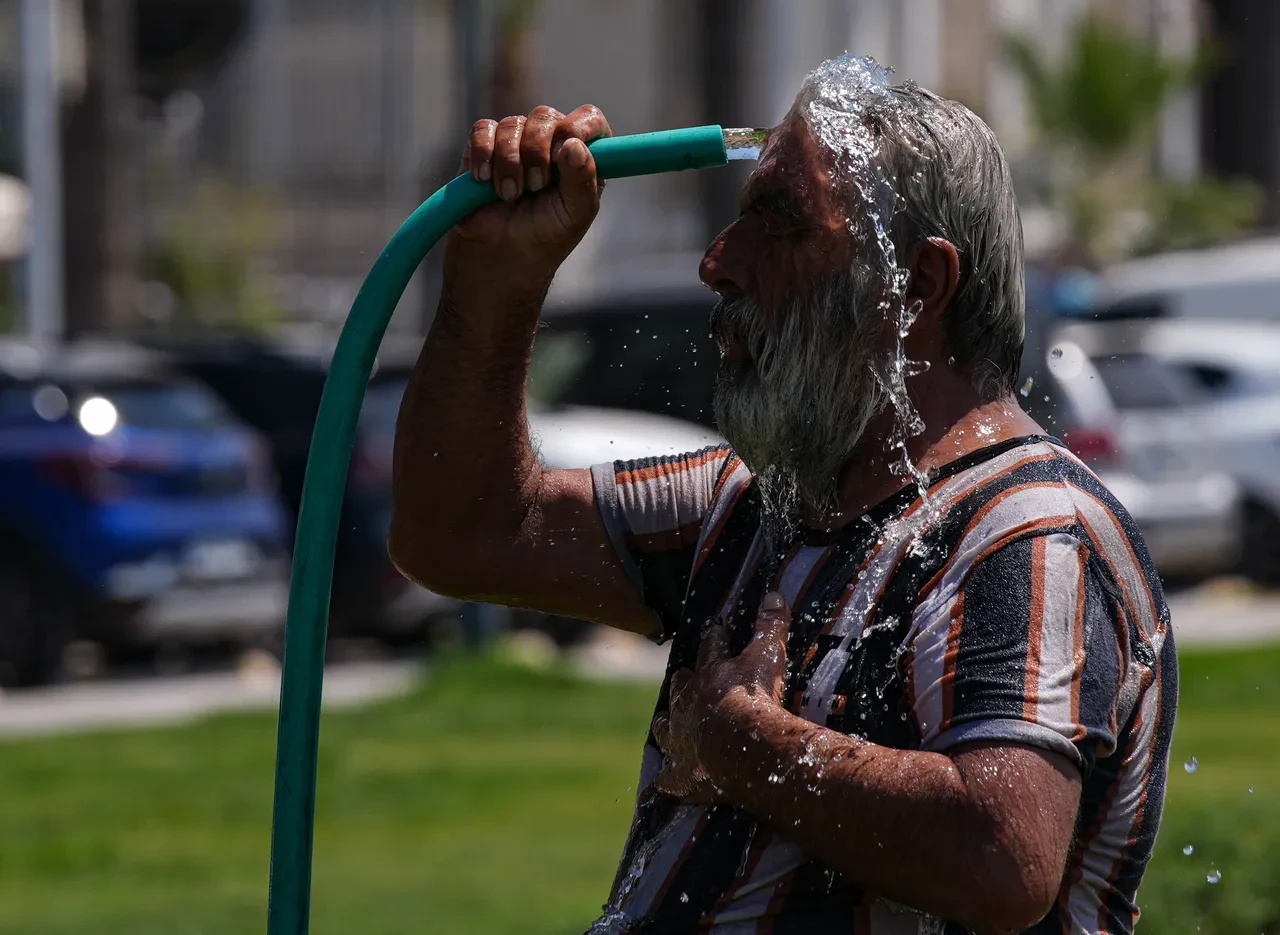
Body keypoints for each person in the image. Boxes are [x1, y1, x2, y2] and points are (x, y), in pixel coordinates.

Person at [389, 57, 1177, 935]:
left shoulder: (1031, 529)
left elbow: (1000, 852)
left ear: (916, 286)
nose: (717, 264)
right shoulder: (758, 503)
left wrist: (744, 743)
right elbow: (462, 533)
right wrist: (499, 284)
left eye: (780, 221)